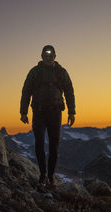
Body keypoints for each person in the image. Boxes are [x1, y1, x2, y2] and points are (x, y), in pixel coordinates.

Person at [20, 45, 76, 187]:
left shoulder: (61, 72)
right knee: (39, 143)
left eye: (51, 55)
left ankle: (50, 177)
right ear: (42, 56)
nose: (49, 57)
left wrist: (72, 112)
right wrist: (23, 112)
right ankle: (43, 174)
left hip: (55, 113)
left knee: (54, 146)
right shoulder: (34, 72)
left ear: (55, 56)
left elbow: (69, 91)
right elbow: (26, 91)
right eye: (46, 55)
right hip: (38, 113)